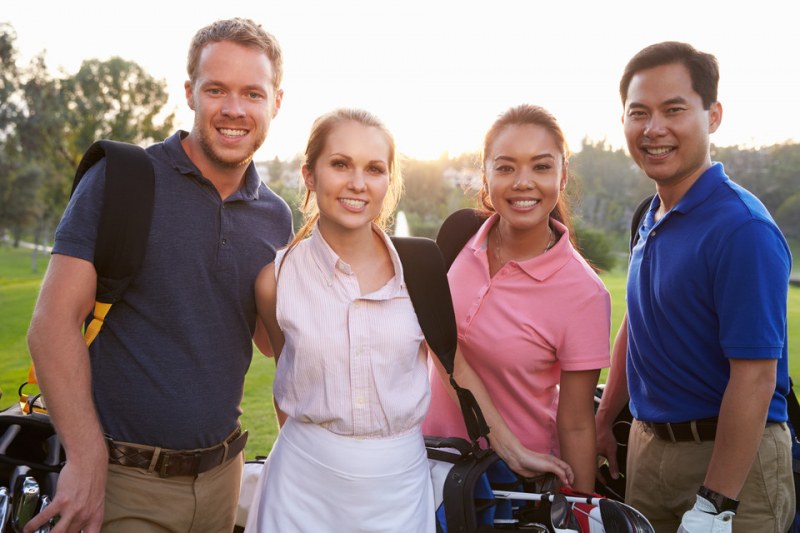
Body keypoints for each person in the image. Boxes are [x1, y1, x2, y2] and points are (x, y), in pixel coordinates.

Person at [245, 108, 573, 532]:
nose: (358, 183)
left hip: (397, 491)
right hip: (298, 490)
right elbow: (287, 379)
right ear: (310, 175)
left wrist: (511, 449)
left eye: (374, 169)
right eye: (340, 164)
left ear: (389, 181)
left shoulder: (420, 271)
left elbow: (455, 368)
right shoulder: (276, 279)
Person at [25, 18, 293, 533]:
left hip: (224, 480)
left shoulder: (276, 216)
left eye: (252, 93)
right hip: (123, 484)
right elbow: (53, 323)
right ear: (190, 92)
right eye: (216, 89)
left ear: (276, 102)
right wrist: (85, 461)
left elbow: (270, 342)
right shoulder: (123, 179)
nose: (234, 109)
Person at [595, 42, 794, 533]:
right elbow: (637, 323)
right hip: (646, 451)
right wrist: (604, 419)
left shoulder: (742, 228)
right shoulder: (649, 214)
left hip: (730, 466)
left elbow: (755, 378)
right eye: (638, 113)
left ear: (714, 115)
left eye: (674, 110)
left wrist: (715, 505)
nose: (653, 128)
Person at [422, 105, 611, 493]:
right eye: (506, 167)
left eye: (541, 167)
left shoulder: (585, 293)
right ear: (486, 175)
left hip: (515, 484)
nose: (523, 182)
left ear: (562, 176)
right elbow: (432, 338)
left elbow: (575, 422)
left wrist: (578, 508)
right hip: (428, 464)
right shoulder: (458, 236)